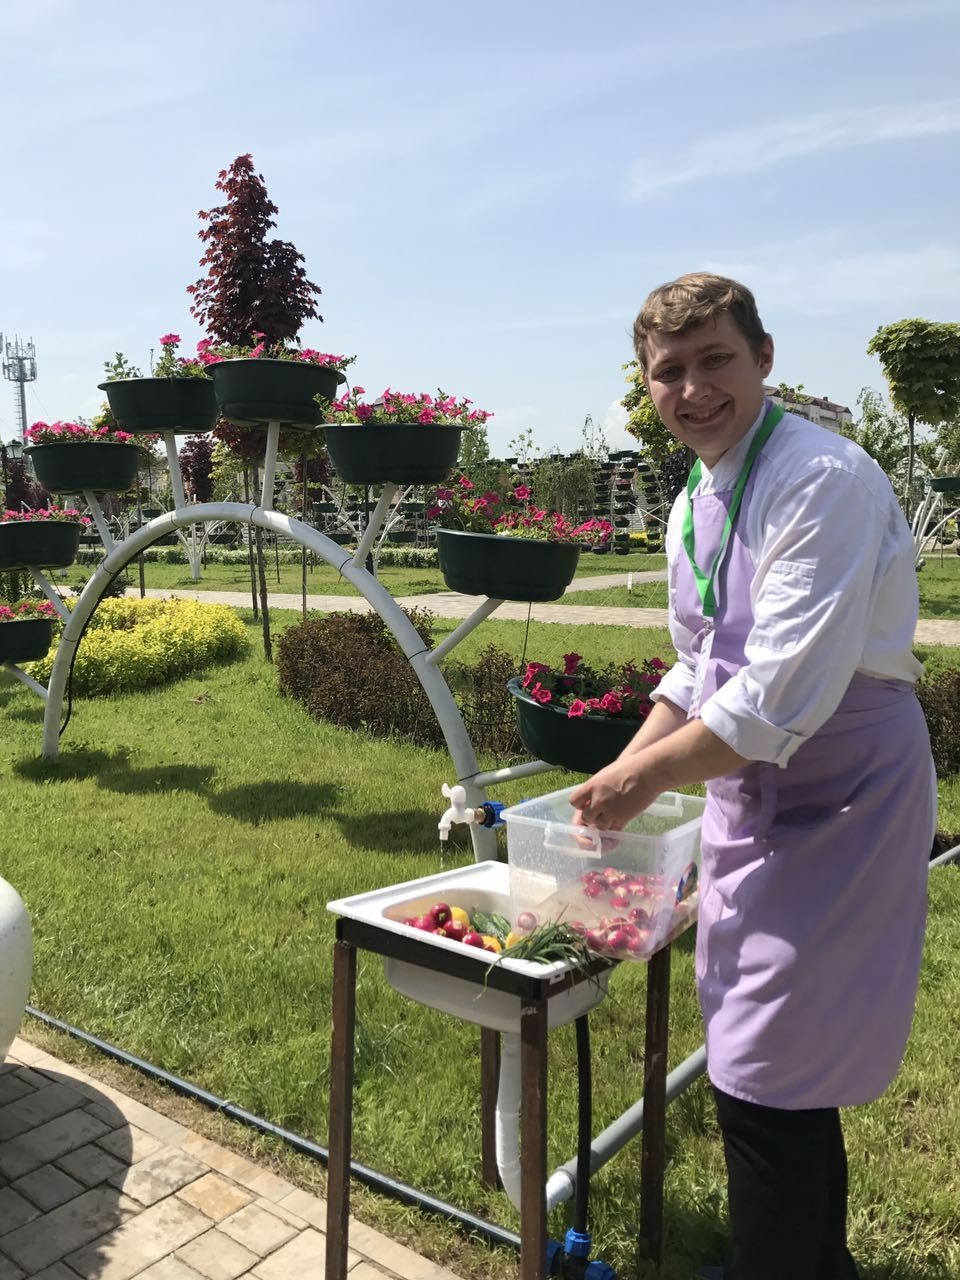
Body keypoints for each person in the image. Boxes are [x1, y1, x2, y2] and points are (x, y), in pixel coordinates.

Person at [569, 273, 935, 1280]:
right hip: (750, 788)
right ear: (647, 385)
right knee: (773, 1056)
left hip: (844, 792)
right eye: (669, 371)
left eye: (714, 360)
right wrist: (626, 764)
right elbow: (701, 665)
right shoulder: (698, 495)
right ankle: (817, 1262)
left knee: (769, 1070)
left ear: (764, 357)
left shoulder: (821, 479)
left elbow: (774, 696)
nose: (692, 389)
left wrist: (641, 784)